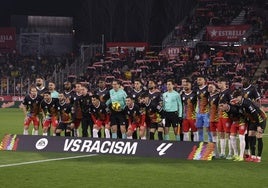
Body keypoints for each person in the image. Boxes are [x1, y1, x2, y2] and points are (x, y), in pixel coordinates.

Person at [230, 90, 266, 162]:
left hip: (260, 119)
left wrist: (258, 126)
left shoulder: (247, 103)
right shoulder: (239, 104)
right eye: (234, 97)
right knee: (250, 136)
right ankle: (252, 156)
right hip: (252, 120)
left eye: (236, 97)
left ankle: (258, 157)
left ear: (240, 97)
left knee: (258, 136)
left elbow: (255, 114)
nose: (235, 99)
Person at [242, 77, 261, 158]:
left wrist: (258, 109)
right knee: (245, 133)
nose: (243, 81)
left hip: (252, 113)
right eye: (242, 80)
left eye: (245, 80)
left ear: (248, 81)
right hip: (245, 114)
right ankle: (247, 151)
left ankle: (252, 151)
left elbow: (258, 100)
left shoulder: (253, 89)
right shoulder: (242, 90)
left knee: (252, 133)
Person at [217, 77, 233, 159]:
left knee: (228, 134)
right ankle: (222, 152)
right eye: (218, 83)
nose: (219, 84)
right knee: (221, 134)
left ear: (224, 83)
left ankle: (230, 153)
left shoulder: (228, 92)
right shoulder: (220, 93)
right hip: (220, 116)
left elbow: (232, 103)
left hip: (226, 116)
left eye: (220, 83)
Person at [195, 75, 211, 142]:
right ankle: (201, 142)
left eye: (200, 79)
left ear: (204, 80)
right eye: (198, 80)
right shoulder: (197, 89)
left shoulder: (208, 89)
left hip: (206, 112)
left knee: (208, 128)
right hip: (199, 112)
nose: (198, 81)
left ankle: (210, 142)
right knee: (199, 128)